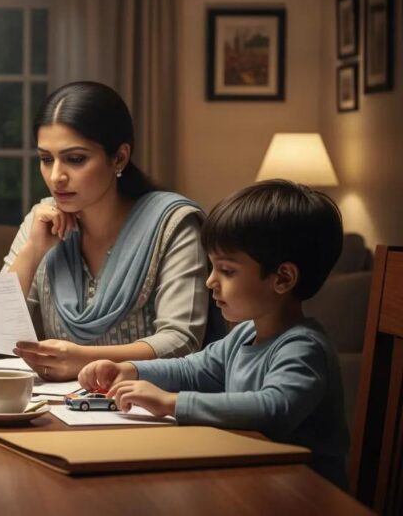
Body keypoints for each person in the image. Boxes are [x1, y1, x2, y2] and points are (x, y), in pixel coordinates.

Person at [79, 180, 349, 488]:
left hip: (305, 494)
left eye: (227, 271)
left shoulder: (303, 347)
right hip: (255, 481)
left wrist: (171, 403)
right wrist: (130, 370)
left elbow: (273, 408)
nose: (210, 281)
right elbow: (193, 369)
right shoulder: (244, 334)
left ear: (283, 278)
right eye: (212, 267)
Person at [4, 81, 214, 381]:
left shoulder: (173, 225)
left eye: (75, 159)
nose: (56, 176)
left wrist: (84, 360)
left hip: (145, 403)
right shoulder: (41, 221)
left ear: (119, 158)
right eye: (46, 159)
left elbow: (181, 341)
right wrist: (33, 250)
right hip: (54, 404)